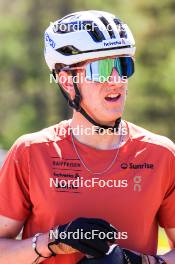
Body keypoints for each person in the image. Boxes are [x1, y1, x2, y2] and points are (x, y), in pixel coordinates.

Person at [0, 10, 174, 264]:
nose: (116, 80)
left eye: (123, 66)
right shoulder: (30, 152)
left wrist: (141, 262)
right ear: (67, 81)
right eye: (101, 68)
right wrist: (53, 241)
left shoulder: (161, 155)